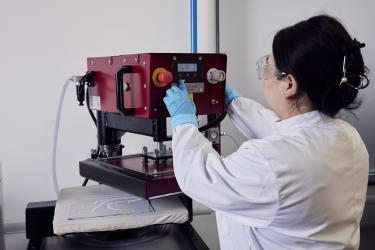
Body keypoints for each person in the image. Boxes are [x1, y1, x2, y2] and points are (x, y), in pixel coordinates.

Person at [163, 15, 370, 250]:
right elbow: (286, 136)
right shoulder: (348, 138)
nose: (263, 76)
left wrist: (183, 122)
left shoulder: (267, 162)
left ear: (289, 85)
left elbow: (198, 177)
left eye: (266, 68)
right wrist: (232, 102)